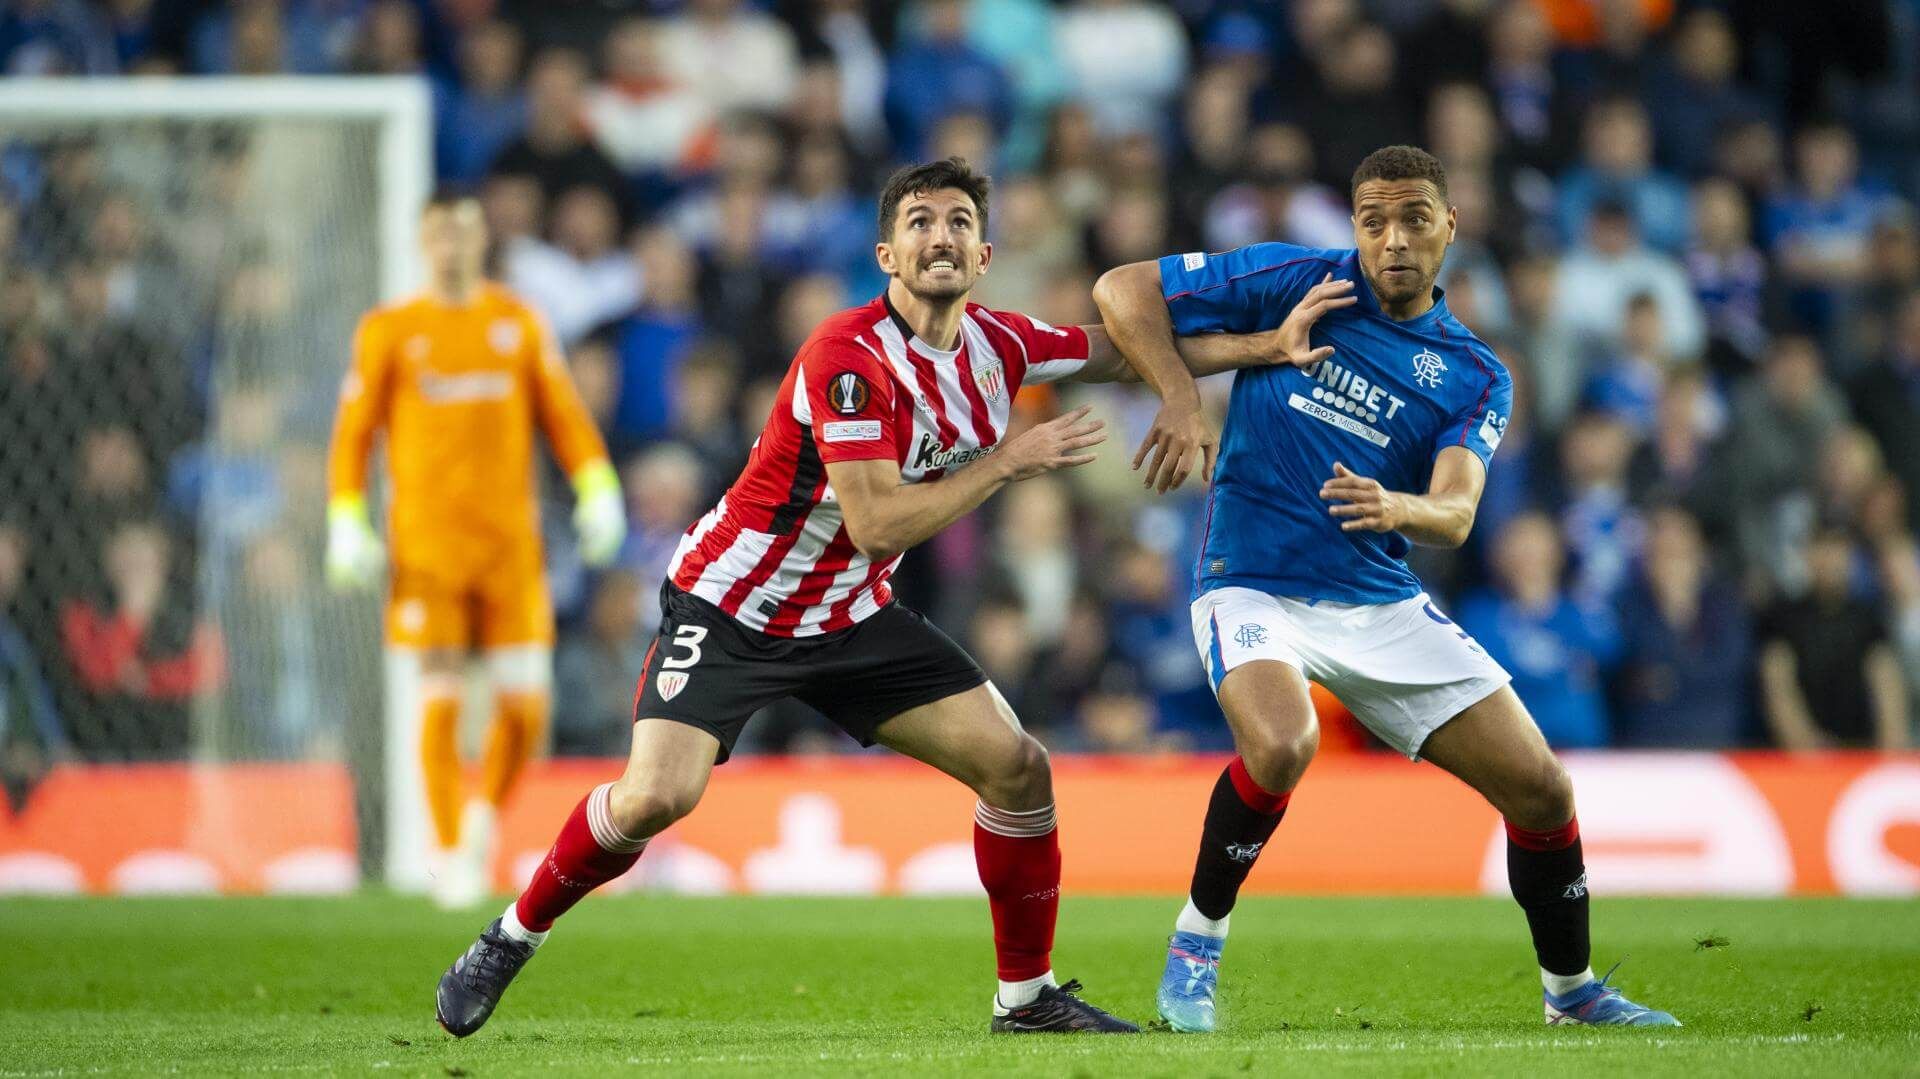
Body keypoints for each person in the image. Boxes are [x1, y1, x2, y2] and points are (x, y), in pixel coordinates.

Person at [434, 158, 1219, 1038]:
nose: (941, 236)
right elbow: (880, 523)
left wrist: (1274, 345)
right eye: (920, 222)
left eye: (959, 221)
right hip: (734, 607)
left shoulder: (1001, 345)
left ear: (985, 252)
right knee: (656, 797)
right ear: (887, 252)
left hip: (848, 616)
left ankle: (1026, 999)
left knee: (1019, 768)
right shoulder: (845, 357)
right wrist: (1010, 461)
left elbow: (1124, 349)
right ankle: (510, 935)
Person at [1092, 144, 1679, 1031]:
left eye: (1412, 220)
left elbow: (1455, 512)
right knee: (1284, 745)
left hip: (1377, 597)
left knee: (1544, 791)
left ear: (1451, 226)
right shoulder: (1299, 279)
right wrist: (1177, 394)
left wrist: (1396, 502)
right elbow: (1119, 291)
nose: (1391, 240)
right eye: (1373, 222)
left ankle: (1573, 992)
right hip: (1251, 582)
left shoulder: (1476, 372)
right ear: (1355, 227)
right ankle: (1196, 944)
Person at [325, 193, 627, 909]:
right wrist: (345, 516)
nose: (451, 244)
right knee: (439, 696)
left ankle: (484, 816)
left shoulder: (516, 322)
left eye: (464, 230)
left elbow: (562, 411)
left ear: (482, 236)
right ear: (420, 240)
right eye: (439, 232)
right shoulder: (390, 330)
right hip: (427, 550)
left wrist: (597, 483)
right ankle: (448, 847)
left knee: (525, 703)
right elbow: (353, 431)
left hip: (509, 548)